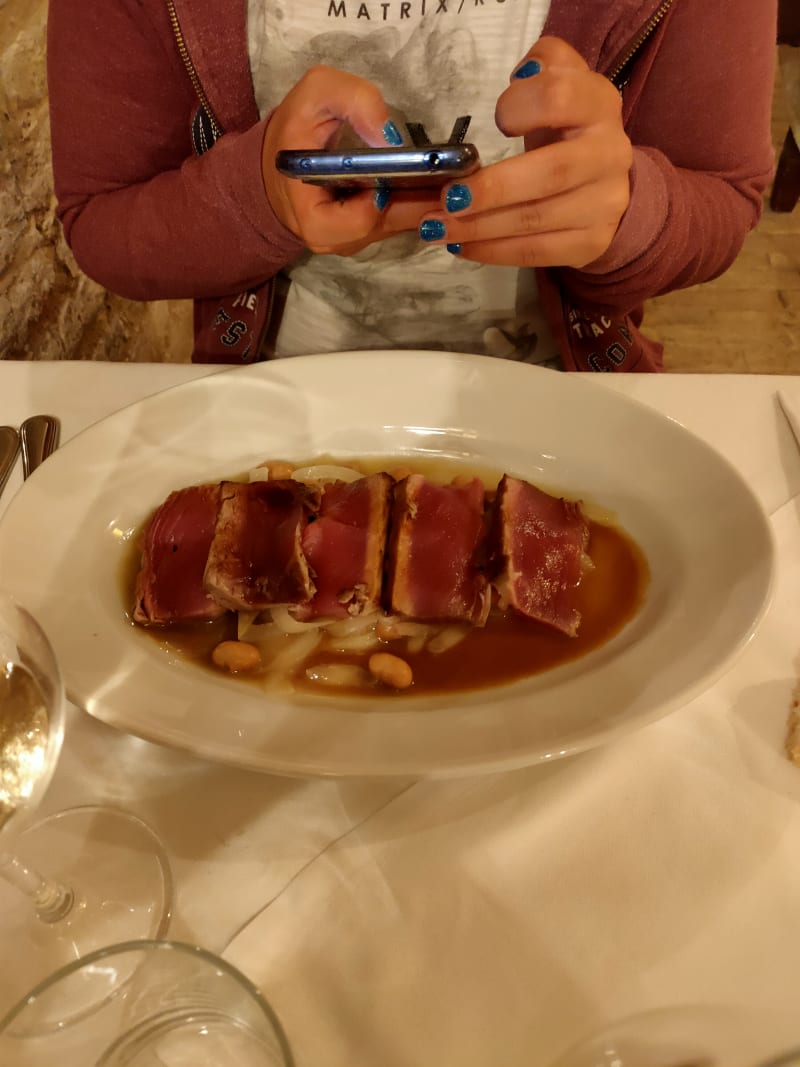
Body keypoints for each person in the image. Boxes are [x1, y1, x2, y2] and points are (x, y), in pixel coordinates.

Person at [46, 0, 777, 372]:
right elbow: (102, 218)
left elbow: (725, 194)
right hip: (263, 401)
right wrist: (255, 198)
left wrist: (629, 211)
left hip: (571, 391)